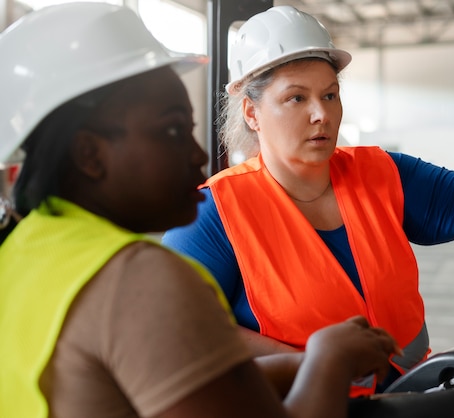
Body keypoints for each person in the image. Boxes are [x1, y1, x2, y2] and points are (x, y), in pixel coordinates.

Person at [162, 4, 454, 395]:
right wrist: (316, 363)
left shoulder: (381, 172)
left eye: (330, 94)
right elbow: (183, 331)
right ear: (252, 113)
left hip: (406, 397)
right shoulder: (214, 213)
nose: (321, 114)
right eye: (296, 98)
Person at [0, 3, 401, 418]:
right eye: (172, 130)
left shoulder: (23, 252)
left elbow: (192, 385)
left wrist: (303, 364)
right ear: (89, 154)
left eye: (330, 95)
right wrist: (327, 359)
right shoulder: (138, 278)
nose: (196, 155)